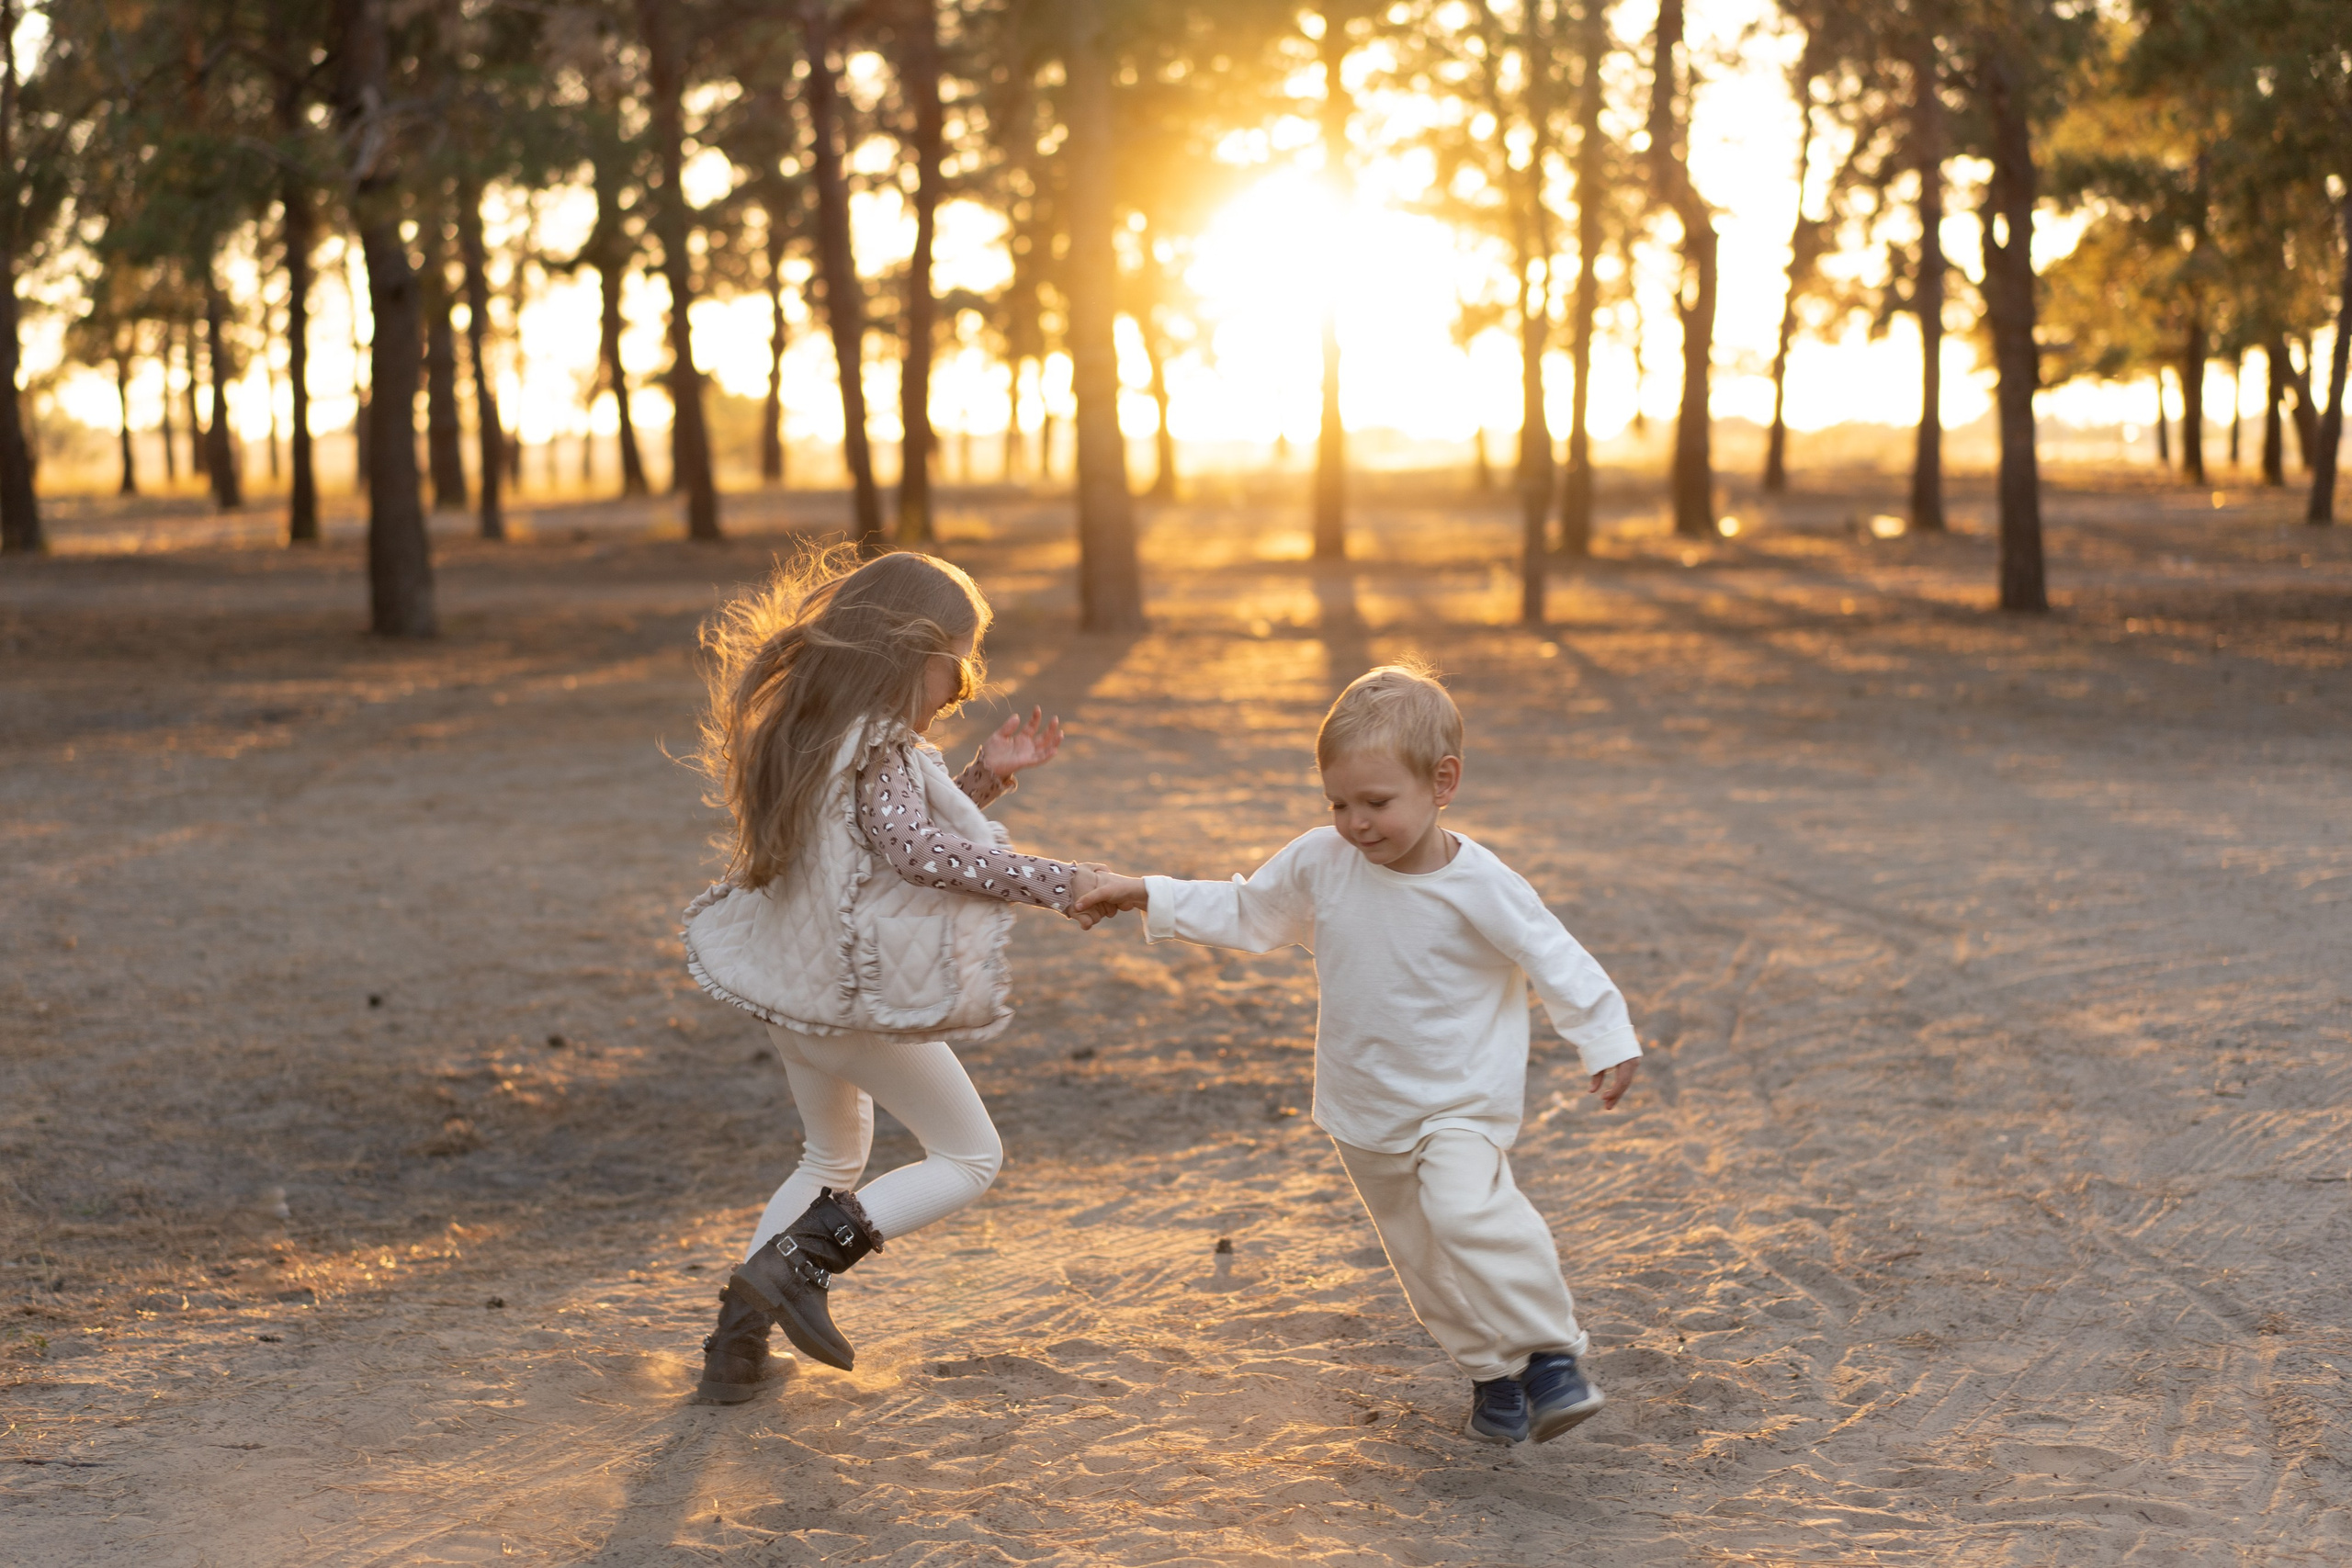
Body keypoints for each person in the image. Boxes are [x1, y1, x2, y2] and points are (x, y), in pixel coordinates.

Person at [1073, 663, 1642, 1446]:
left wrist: (1605, 1036)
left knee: (1467, 1209)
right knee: (1422, 1262)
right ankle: (1488, 1372)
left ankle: (1550, 1357)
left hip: (1459, 1102)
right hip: (1363, 1110)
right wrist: (1145, 890)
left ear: (1443, 782)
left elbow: (1556, 958)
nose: (1355, 822)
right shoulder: (1320, 860)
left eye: (1376, 802)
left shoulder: (1482, 884)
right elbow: (1249, 909)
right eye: (1338, 802)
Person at [680, 547, 1096, 1403]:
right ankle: (800, 1264)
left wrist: (984, 778)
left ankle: (736, 1346)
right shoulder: (878, 744)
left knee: (830, 1155)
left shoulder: (809, 733)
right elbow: (917, 850)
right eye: (962, 658)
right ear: (913, 650)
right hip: (847, 999)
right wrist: (1062, 882)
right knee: (970, 1153)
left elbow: (879, 836)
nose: (966, 684)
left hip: (790, 990)